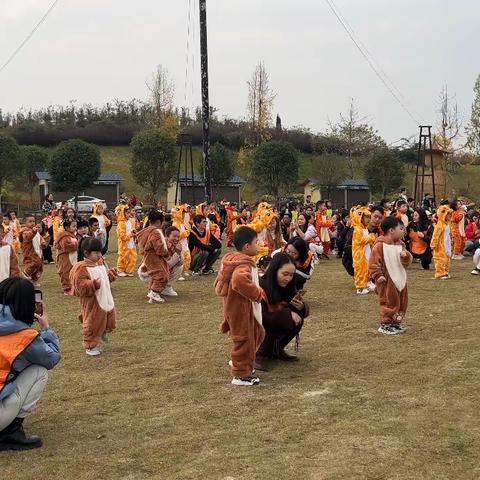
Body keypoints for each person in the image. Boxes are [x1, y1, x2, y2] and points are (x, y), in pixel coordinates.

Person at [0, 278, 61, 451]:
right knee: (38, 370)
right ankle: (10, 432)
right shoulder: (25, 337)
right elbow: (52, 359)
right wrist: (46, 328)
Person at [214, 227, 264, 386]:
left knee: (254, 335)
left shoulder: (232, 260)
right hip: (242, 309)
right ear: (247, 247)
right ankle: (241, 374)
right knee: (245, 339)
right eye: (256, 242)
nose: (259, 244)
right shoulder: (244, 264)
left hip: (234, 307)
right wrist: (256, 294)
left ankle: (243, 363)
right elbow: (239, 281)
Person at [256, 253, 308, 366]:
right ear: (274, 270)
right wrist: (288, 314)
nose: (288, 278)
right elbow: (259, 317)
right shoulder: (259, 288)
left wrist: (300, 307)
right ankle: (257, 354)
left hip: (272, 321)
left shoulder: (287, 287)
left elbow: (294, 309)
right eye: (285, 274)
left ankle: (276, 350)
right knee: (287, 318)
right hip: (254, 327)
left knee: (297, 319)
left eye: (291, 275)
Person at [70, 237, 117, 356]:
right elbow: (79, 285)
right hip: (93, 303)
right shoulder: (81, 267)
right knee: (92, 322)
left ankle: (102, 331)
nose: (99, 255)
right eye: (96, 253)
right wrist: (92, 284)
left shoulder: (99, 264)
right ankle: (90, 346)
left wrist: (110, 275)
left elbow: (103, 278)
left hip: (105, 298)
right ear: (86, 253)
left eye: (100, 252)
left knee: (110, 319)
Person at [369, 217, 413, 335]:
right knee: (389, 302)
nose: (403, 231)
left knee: (402, 301)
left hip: (400, 278)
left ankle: (396, 322)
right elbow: (373, 263)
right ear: (391, 230)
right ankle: (386, 324)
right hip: (387, 281)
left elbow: (407, 263)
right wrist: (378, 275)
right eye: (401, 228)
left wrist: (406, 257)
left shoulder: (401, 244)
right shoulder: (379, 245)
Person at [137, 210, 170, 304]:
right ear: (159, 222)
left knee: (155, 275)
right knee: (162, 275)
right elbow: (159, 246)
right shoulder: (156, 232)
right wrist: (166, 254)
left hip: (148, 256)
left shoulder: (146, 230)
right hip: (154, 256)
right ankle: (154, 293)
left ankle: (152, 292)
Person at [351, 207, 376, 295]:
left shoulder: (364, 228)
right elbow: (361, 241)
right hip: (360, 254)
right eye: (366, 217)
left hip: (366, 252)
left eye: (369, 217)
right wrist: (371, 237)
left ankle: (368, 283)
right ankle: (360, 288)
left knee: (367, 268)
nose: (369, 219)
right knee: (360, 270)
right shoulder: (357, 230)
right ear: (360, 217)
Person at [20, 215, 46, 286]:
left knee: (39, 266)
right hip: (30, 252)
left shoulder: (35, 231)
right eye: (30, 221)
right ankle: (25, 274)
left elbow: (40, 237)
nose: (32, 223)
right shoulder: (24, 231)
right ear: (25, 223)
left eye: (33, 221)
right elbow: (27, 237)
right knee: (33, 264)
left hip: (38, 252)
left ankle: (34, 280)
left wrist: (43, 242)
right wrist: (33, 232)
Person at [54, 219, 78, 295]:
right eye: (73, 226)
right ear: (67, 228)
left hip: (72, 257)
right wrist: (78, 245)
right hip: (65, 258)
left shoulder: (71, 235)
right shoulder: (64, 236)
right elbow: (66, 246)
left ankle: (72, 286)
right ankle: (67, 288)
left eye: (76, 226)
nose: (75, 228)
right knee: (66, 272)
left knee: (72, 270)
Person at [430, 204, 453, 280]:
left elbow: (449, 233)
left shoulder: (448, 224)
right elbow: (435, 235)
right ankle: (440, 273)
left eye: (450, 214)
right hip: (440, 245)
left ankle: (445, 271)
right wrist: (433, 244)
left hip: (447, 243)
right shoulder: (440, 225)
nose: (449, 216)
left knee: (447, 258)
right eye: (447, 214)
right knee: (440, 259)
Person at [116, 205, 137, 277]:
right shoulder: (121, 223)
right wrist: (130, 235)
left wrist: (133, 231)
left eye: (129, 212)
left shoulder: (129, 221)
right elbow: (122, 236)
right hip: (124, 244)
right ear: (123, 213)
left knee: (132, 257)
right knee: (123, 257)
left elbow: (130, 230)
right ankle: (120, 270)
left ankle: (129, 270)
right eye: (127, 213)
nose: (129, 214)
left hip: (131, 242)